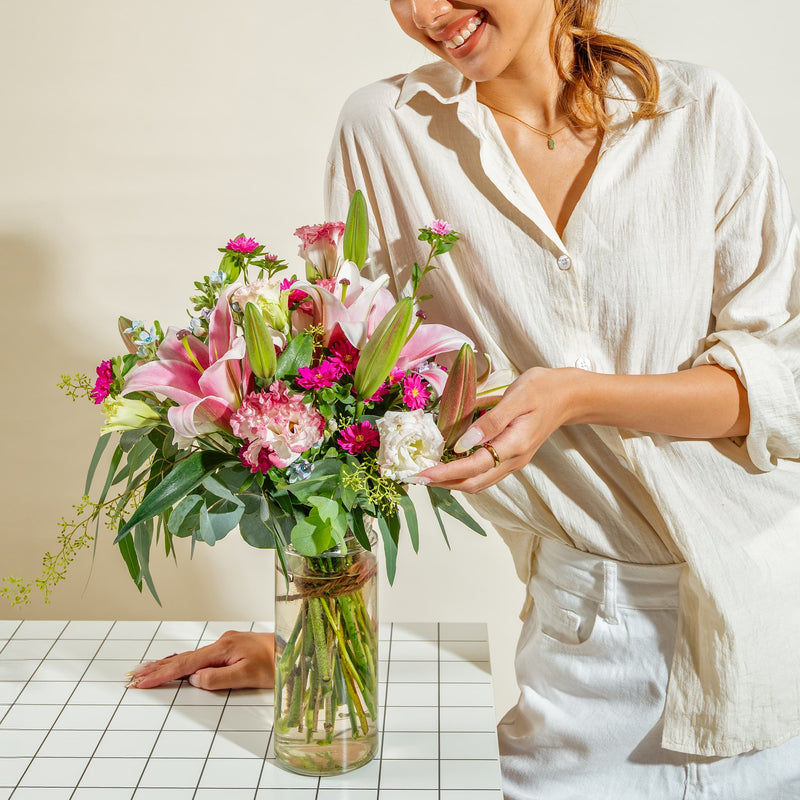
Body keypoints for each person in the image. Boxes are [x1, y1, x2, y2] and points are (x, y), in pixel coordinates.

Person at [128, 1, 800, 797]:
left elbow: (781, 390)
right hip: (588, 658)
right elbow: (356, 403)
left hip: (772, 621)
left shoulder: (696, 113)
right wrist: (314, 641)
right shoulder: (388, 131)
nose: (425, 11)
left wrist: (578, 396)